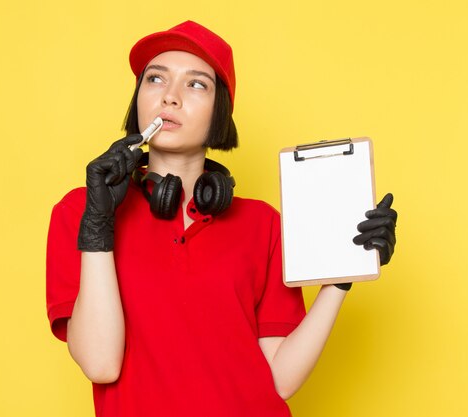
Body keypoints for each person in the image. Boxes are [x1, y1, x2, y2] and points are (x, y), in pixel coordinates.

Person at [46, 20, 397, 417]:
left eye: (196, 84)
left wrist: (340, 277)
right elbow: (100, 364)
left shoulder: (263, 224)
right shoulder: (79, 211)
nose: (171, 98)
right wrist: (98, 224)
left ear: (220, 112)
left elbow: (280, 379)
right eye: (156, 79)